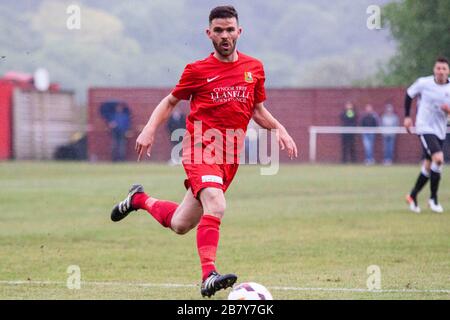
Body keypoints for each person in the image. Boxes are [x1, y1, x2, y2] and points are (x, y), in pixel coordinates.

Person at [109, 6, 298, 298]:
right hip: (201, 148)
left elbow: (256, 110)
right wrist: (148, 128)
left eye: (230, 29)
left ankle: (139, 199)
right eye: (219, 30)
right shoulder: (197, 70)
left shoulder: (254, 69)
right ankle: (208, 274)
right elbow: (170, 101)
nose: (225, 35)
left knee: (181, 224)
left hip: (229, 157)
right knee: (217, 205)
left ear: (239, 32)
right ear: (208, 33)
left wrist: (280, 130)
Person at [405, 57, 450, 214]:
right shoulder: (424, 83)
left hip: (440, 130)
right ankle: (433, 199)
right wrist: (407, 117)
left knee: (428, 166)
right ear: (434, 70)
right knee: (439, 159)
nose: (441, 71)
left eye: (444, 68)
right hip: (424, 127)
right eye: (438, 68)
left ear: (448, 71)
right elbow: (409, 94)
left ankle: (412, 195)